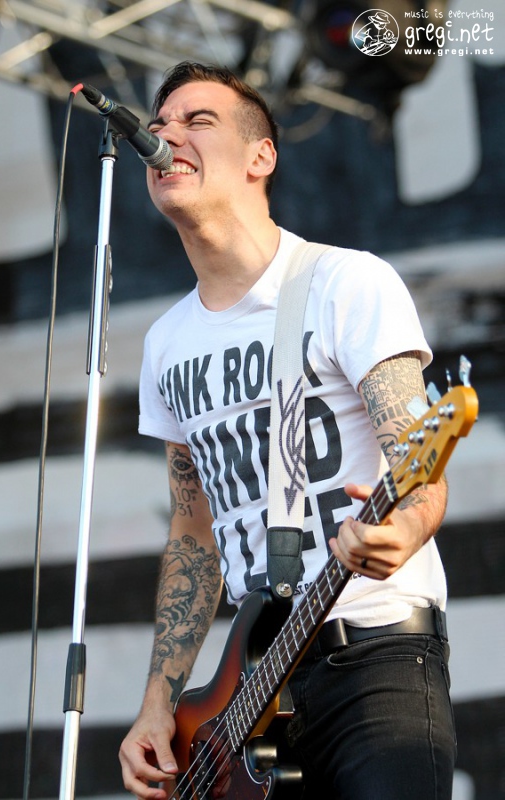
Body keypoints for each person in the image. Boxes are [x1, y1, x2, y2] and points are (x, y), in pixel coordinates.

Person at [119, 61, 455, 799]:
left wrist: (405, 528)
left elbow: (418, 460)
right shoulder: (166, 343)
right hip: (250, 695)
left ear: (259, 157)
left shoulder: (345, 282)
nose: (165, 134)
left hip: (373, 655)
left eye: (197, 121)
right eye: (160, 122)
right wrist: (159, 703)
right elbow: (194, 531)